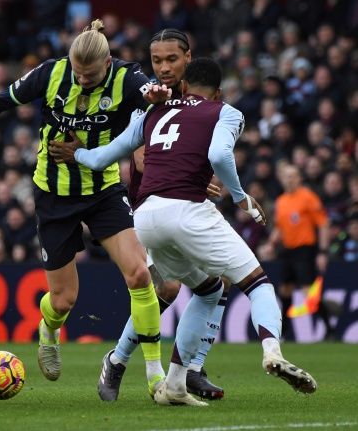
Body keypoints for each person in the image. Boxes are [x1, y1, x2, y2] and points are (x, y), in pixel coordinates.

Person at [55, 57, 317, 406]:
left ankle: (174, 381)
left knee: (203, 290)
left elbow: (104, 158)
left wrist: (77, 154)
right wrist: (241, 197)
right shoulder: (224, 111)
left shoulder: (150, 111)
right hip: (186, 211)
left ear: (184, 78)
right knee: (256, 283)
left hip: (145, 216)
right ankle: (271, 351)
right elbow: (220, 155)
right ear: (218, 91)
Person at [0, 19, 165, 392]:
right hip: (53, 196)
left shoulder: (127, 79)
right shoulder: (51, 74)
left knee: (139, 275)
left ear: (107, 62)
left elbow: (152, 91)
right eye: (78, 73)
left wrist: (157, 95)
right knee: (65, 299)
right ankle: (48, 330)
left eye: (90, 74)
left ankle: (155, 377)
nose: (82, 80)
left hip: (104, 191)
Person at [51, 28, 225, 401]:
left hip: (185, 202)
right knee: (170, 286)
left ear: (188, 58)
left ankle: (166, 366)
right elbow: (139, 152)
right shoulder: (145, 98)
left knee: (206, 284)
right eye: (157, 61)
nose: (163, 68)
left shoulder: (197, 100)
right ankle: (152, 365)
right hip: (148, 204)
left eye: (171, 60)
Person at [268, 164, 335, 339]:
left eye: (292, 176)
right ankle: (286, 331)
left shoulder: (308, 197)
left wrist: (323, 251)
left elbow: (323, 224)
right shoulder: (281, 201)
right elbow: (280, 228)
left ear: (299, 178)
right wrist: (271, 244)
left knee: (307, 292)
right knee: (285, 290)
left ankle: (329, 328)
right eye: (286, 176)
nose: (289, 180)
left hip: (305, 250)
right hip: (288, 250)